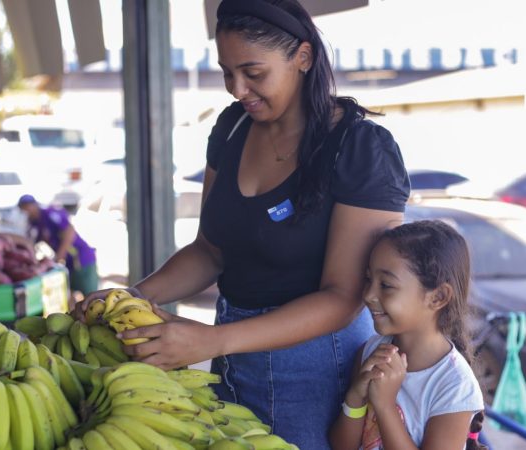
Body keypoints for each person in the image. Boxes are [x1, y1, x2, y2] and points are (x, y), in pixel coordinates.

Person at [76, 0, 410, 446]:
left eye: (253, 73)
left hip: (319, 373)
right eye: (226, 72)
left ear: (303, 58)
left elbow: (344, 298)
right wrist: (133, 297)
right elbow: (211, 250)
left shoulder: (359, 148)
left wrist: (213, 341)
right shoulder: (233, 128)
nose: (237, 89)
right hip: (232, 363)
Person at [330, 221, 485, 450]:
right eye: (368, 279)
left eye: (386, 285)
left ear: (438, 297)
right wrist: (355, 396)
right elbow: (341, 446)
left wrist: (384, 405)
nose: (369, 295)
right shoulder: (370, 352)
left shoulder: (454, 386)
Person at [17, 194, 99, 297]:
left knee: (91, 297)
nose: (26, 211)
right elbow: (31, 243)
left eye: (27, 207)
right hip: (68, 264)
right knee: (71, 295)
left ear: (34, 205)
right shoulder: (34, 223)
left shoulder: (50, 214)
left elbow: (69, 232)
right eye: (22, 208)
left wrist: (59, 257)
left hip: (81, 259)